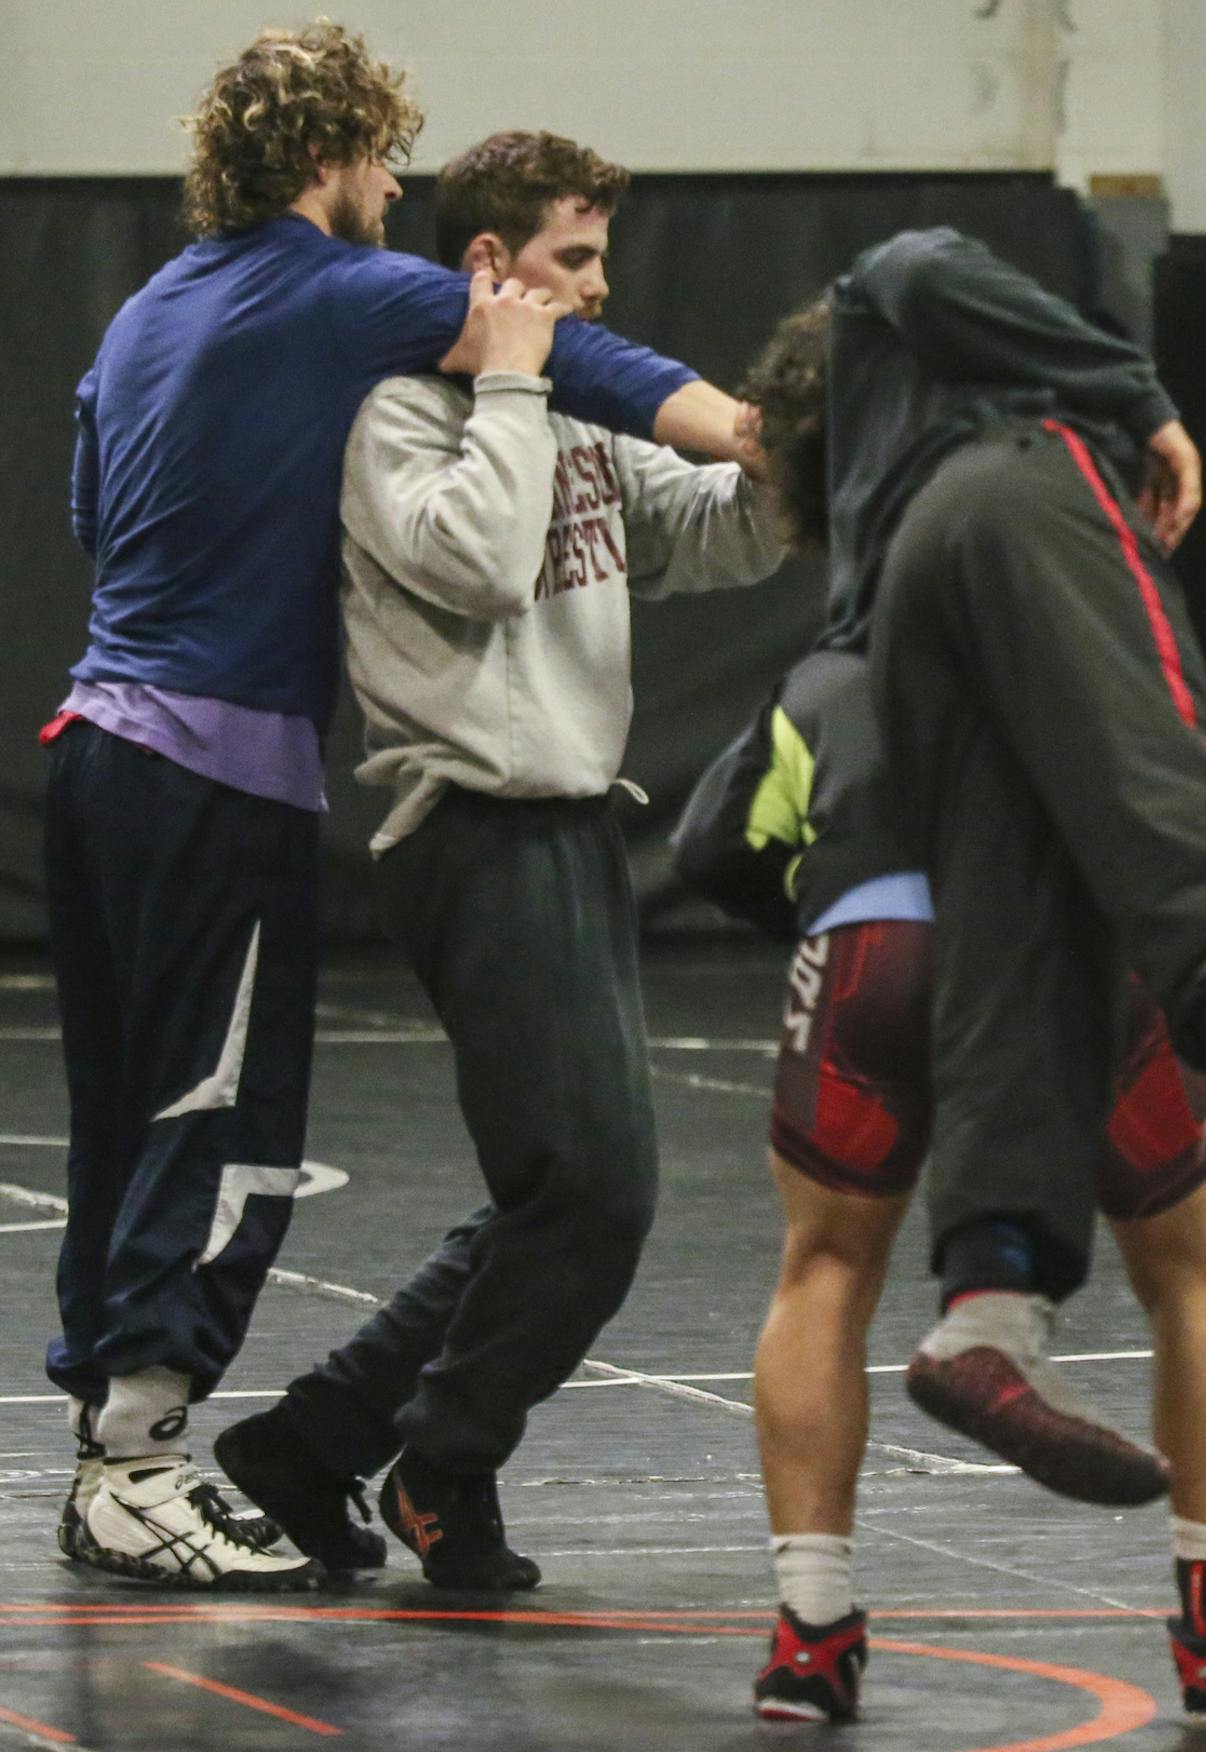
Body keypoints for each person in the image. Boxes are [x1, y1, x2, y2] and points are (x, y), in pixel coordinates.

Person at [48, 23, 757, 1593]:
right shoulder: (334, 292)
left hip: (96, 736)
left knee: (129, 1111)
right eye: (379, 157)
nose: (387, 187)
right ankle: (140, 1458)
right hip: (213, 763)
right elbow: (578, 359)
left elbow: (94, 507)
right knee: (216, 1119)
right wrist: (760, 429)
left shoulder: (147, 307)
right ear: (335, 157)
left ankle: (132, 1438)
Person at [729, 232, 1206, 1519]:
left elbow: (729, 829)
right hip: (1014, 500)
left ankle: (991, 1306)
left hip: (903, 654)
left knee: (1019, 923)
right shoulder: (1000, 409)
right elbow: (917, 262)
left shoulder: (867, 516)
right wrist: (1146, 403)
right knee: (1160, 750)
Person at [208, 130, 786, 1591]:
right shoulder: (397, 410)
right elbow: (472, 557)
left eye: (602, 259)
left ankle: (314, 1439)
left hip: (578, 825)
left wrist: (799, 458)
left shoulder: (576, 420)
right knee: (595, 1190)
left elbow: (706, 536)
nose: (598, 290)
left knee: (561, 1187)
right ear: (490, 265)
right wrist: (520, 380)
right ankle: (442, 1459)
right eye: (572, 261)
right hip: (472, 828)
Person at [675, 649, 1206, 1727]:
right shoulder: (1104, 646)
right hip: (1087, 955)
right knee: (1190, 1278)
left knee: (826, 1267)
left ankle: (809, 1640)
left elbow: (712, 846)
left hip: (873, 949)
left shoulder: (836, 674)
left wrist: (832, 913)